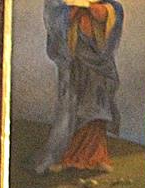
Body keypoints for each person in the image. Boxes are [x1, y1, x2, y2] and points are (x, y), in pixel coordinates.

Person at [36, 0, 124, 174]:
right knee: (74, 110)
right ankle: (68, 157)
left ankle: (97, 157)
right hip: (75, 60)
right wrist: (71, 12)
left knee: (98, 107)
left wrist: (105, 12)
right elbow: (54, 13)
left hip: (98, 59)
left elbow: (115, 9)